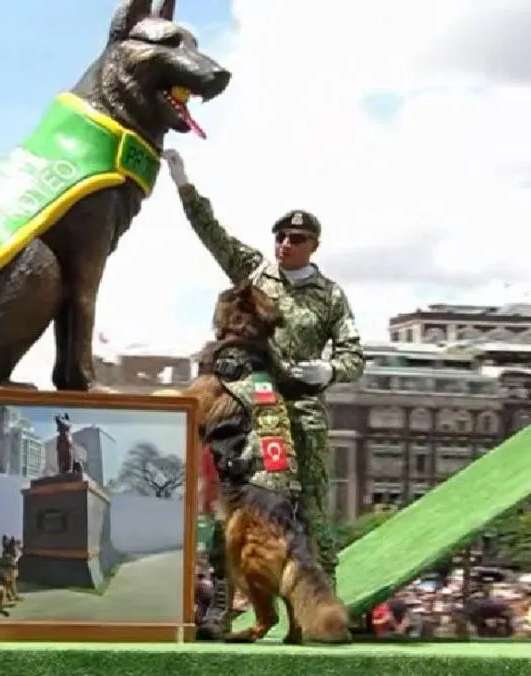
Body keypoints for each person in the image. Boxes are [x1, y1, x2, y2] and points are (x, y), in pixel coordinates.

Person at [162, 149, 365, 639]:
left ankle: (319, 613)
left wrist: (326, 370)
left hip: (299, 412)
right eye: (280, 236)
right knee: (232, 508)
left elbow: (354, 356)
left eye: (296, 238)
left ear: (314, 245)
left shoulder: (331, 296)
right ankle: (220, 609)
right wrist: (185, 186)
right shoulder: (253, 273)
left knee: (309, 516)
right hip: (248, 408)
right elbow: (213, 234)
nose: (285, 244)